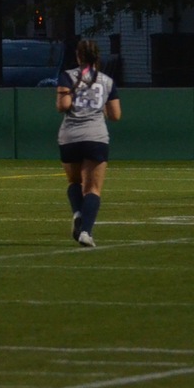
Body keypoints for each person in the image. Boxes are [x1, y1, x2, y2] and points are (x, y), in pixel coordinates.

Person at [57, 36, 122, 248]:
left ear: (78, 56)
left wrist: (69, 96)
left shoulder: (67, 76)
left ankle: (77, 212)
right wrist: (99, 105)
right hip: (95, 136)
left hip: (70, 137)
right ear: (97, 57)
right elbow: (115, 115)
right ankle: (85, 231)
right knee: (93, 188)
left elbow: (63, 106)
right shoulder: (107, 81)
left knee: (74, 182)